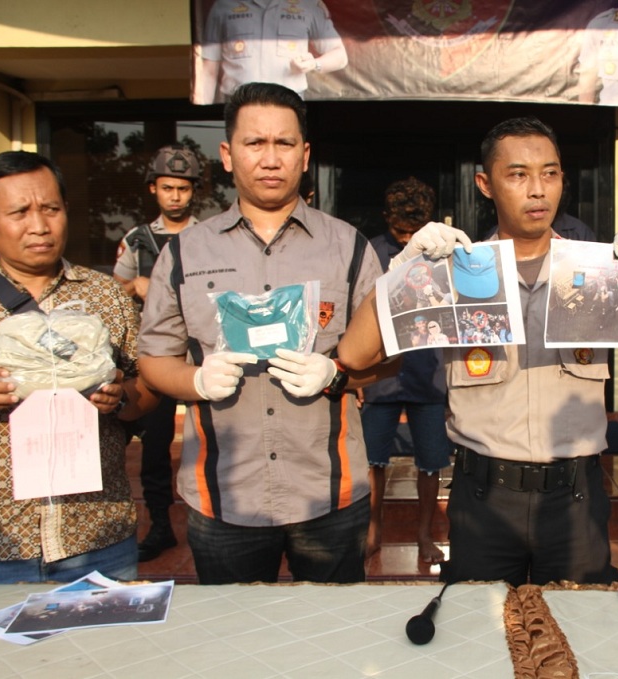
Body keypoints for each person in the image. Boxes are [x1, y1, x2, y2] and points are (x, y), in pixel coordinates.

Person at [338, 116, 618, 586]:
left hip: (575, 497)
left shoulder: (599, 269)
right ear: (485, 183)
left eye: (550, 173)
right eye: (518, 174)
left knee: (578, 632)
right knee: (483, 639)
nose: (538, 190)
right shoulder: (455, 272)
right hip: (483, 496)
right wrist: (403, 272)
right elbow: (356, 356)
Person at [137, 82, 389, 585]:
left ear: (305, 154)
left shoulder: (350, 247)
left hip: (328, 493)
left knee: (333, 644)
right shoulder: (186, 252)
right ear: (228, 155)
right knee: (235, 646)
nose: (270, 159)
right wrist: (197, 384)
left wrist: (335, 374)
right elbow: (153, 358)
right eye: (255, 144)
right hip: (225, 496)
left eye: (284, 144)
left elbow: (388, 359)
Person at [0, 151, 156, 583]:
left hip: (96, 538)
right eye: (19, 212)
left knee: (111, 652)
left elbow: (148, 391)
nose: (39, 226)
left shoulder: (106, 296)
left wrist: (121, 400)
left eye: (51, 209)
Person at [113, 144, 203, 563]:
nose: (176, 196)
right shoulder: (137, 240)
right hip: (152, 359)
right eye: (168, 187)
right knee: (154, 447)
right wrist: (138, 286)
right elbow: (114, 292)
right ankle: (161, 525)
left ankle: (212, 521)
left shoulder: (209, 238)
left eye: (183, 188)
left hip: (198, 358)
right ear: (154, 189)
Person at [361, 177, 450, 565]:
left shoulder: (443, 255)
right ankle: (372, 530)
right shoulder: (370, 253)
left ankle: (425, 534)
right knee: (372, 459)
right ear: (386, 220)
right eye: (401, 231)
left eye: (416, 230)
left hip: (427, 372)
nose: (408, 238)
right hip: (378, 375)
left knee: (431, 461)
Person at [197, 0, 348, 105]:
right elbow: (208, 70)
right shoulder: (223, 6)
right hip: (238, 105)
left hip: (289, 105)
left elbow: (339, 55)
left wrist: (314, 64)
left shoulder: (308, 4)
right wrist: (200, 113)